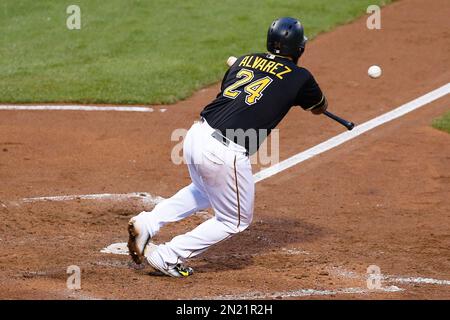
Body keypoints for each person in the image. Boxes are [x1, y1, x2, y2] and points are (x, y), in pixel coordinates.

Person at [127, 17, 328, 277]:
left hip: (196, 135)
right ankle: (168, 256)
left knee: (202, 190)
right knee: (235, 221)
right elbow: (318, 107)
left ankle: (148, 222)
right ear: (299, 48)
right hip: (224, 150)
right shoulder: (301, 77)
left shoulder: (244, 60)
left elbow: (233, 95)